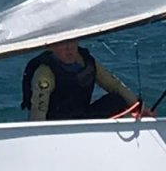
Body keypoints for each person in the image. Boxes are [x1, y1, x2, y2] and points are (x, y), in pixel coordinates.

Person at [21, 39, 152, 120]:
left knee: (116, 100)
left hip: (82, 116)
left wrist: (141, 108)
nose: (69, 48)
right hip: (57, 125)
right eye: (62, 43)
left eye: (72, 41)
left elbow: (115, 85)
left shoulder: (87, 61)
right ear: (51, 46)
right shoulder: (44, 72)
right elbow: (38, 112)